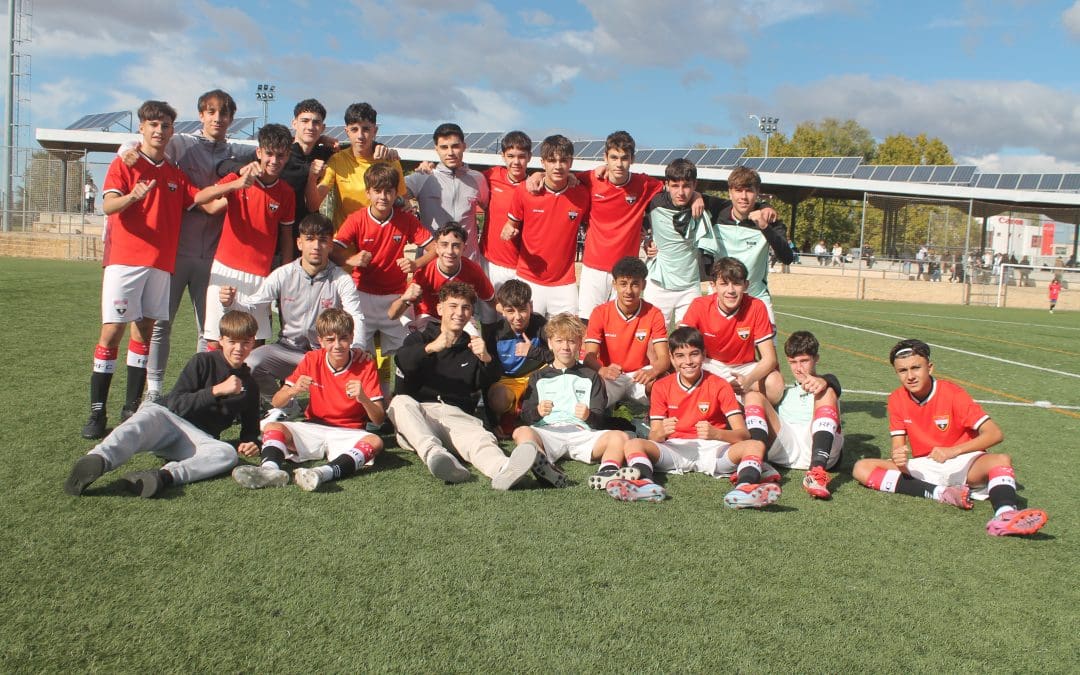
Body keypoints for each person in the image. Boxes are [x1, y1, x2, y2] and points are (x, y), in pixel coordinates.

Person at [83, 100, 204, 439]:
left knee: (144, 333)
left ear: (171, 131)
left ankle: (130, 407)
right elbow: (108, 205)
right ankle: (96, 413)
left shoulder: (175, 175)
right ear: (141, 128)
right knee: (112, 333)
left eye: (165, 125)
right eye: (153, 124)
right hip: (125, 262)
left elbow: (201, 197)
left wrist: (235, 185)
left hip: (160, 266)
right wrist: (133, 196)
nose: (159, 131)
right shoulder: (125, 162)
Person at [852, 339, 1048, 537]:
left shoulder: (953, 393)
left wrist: (952, 451)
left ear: (929, 367)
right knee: (862, 468)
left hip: (963, 464)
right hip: (927, 465)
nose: (910, 376)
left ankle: (1005, 516)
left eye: (915, 368)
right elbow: (898, 448)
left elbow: (995, 433)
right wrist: (899, 457)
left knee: (1001, 460)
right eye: (902, 370)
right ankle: (942, 493)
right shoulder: (896, 399)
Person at [65, 310, 260, 498]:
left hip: (195, 439)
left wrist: (250, 442)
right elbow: (177, 403)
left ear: (253, 343)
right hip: (166, 417)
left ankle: (162, 477)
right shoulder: (203, 361)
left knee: (226, 454)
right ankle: (98, 460)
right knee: (138, 423)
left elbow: (250, 430)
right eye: (232, 342)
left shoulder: (250, 385)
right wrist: (216, 391)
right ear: (221, 340)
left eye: (245, 343)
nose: (239, 349)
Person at [389, 281, 564, 490]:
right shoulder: (420, 338)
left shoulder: (472, 346)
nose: (459, 313)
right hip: (419, 413)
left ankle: (504, 469)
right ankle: (435, 454)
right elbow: (403, 361)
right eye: (453, 306)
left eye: (465, 307)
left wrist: (487, 359)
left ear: (471, 312)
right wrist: (432, 347)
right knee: (400, 403)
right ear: (440, 309)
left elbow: (483, 385)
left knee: (481, 439)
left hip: (456, 416)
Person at [137, 90, 249, 403]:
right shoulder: (182, 144)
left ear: (231, 118)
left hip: (213, 258)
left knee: (209, 328)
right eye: (211, 112)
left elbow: (270, 152)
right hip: (176, 253)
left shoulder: (237, 149)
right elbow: (145, 143)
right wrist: (126, 149)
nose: (218, 118)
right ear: (201, 115)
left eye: (224, 113)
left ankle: (202, 389)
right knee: (161, 324)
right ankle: (154, 389)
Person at [600, 327, 783, 509]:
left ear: (703, 355)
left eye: (694, 354)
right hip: (675, 450)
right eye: (680, 356)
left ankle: (744, 488)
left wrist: (717, 434)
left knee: (756, 445)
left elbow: (742, 434)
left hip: (715, 451)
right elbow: (653, 437)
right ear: (671, 358)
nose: (688, 361)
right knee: (633, 444)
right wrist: (661, 432)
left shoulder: (720, 385)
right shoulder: (661, 386)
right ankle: (645, 484)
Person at [218, 213, 365, 411]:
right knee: (251, 362)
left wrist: (358, 346)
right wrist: (231, 303)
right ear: (299, 243)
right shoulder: (283, 274)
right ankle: (287, 407)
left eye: (322, 241)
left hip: (325, 352)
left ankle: (344, 409)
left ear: (330, 245)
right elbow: (254, 305)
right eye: (310, 239)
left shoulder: (341, 279)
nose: (316, 246)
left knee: (357, 363)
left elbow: (355, 314)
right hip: (287, 349)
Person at [232, 309, 385, 492]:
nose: (337, 345)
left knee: (375, 441)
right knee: (273, 427)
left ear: (352, 337)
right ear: (320, 341)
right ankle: (269, 471)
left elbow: (378, 419)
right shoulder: (312, 359)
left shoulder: (365, 364)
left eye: (343, 338)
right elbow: (276, 402)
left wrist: (364, 399)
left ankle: (322, 473)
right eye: (330, 340)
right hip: (313, 426)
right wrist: (294, 390)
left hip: (348, 431)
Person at [331, 163, 435, 391]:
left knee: (407, 352)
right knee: (358, 353)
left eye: (388, 191)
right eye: (377, 191)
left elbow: (435, 248)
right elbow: (334, 250)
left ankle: (400, 398)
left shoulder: (406, 220)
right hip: (361, 297)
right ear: (368, 192)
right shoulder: (357, 219)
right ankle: (362, 402)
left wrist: (415, 263)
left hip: (396, 298)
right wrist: (351, 260)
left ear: (396, 193)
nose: (383, 197)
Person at [194, 123, 296, 349]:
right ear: (259, 153)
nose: (274, 160)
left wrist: (286, 276)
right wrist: (236, 183)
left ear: (287, 156)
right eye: (269, 154)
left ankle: (248, 386)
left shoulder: (286, 193)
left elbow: (286, 238)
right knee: (216, 340)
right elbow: (201, 199)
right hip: (225, 269)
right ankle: (214, 385)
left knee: (254, 342)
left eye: (280, 155)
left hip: (260, 277)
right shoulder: (238, 180)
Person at [642, 159, 773, 325]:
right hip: (657, 283)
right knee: (652, 344)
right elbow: (631, 213)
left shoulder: (705, 205)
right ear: (666, 184)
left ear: (695, 184)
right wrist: (647, 238)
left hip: (690, 287)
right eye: (675, 186)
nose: (681, 192)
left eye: (687, 186)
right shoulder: (654, 202)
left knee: (689, 342)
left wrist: (765, 206)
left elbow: (740, 203)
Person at [509, 313, 629, 487]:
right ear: (550, 343)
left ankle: (608, 471)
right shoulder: (538, 377)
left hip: (582, 433)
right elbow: (526, 416)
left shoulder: (591, 377)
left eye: (571, 341)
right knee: (521, 433)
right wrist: (538, 412)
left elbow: (600, 419)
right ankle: (546, 469)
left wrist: (588, 416)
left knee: (619, 437)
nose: (565, 347)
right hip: (548, 432)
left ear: (579, 344)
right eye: (559, 341)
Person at [217, 98, 336, 260]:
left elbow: (358, 147)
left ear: (322, 127)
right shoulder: (278, 153)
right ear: (294, 123)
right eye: (305, 121)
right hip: (267, 235)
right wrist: (241, 170)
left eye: (316, 123)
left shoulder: (326, 155)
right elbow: (223, 165)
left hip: (300, 238)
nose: (310, 127)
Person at [741, 331, 843, 499]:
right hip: (785, 449)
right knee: (753, 396)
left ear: (816, 359)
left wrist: (825, 381)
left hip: (818, 447)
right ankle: (759, 461)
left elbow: (834, 382)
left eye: (804, 361)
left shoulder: (826, 385)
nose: (799, 368)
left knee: (826, 392)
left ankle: (816, 473)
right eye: (793, 362)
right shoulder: (786, 393)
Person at [500, 135, 590, 316]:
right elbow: (510, 224)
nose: (558, 166)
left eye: (563, 160)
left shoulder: (581, 194)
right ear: (542, 162)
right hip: (528, 279)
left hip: (565, 284)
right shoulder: (525, 191)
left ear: (571, 162)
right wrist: (508, 230)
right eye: (552, 160)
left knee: (566, 341)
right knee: (526, 339)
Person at [678, 257, 784, 404]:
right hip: (710, 365)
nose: (731, 290)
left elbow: (769, 358)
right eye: (724, 284)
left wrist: (748, 381)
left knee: (775, 384)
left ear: (746, 285)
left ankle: (745, 406)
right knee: (680, 367)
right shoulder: (699, 305)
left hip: (744, 368)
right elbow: (681, 348)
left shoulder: (757, 306)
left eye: (736, 283)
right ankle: (720, 397)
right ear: (713, 286)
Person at [695, 165, 790, 322]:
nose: (743, 196)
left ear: (757, 193)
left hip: (756, 297)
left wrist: (765, 227)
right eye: (738, 190)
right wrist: (697, 197)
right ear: (730, 192)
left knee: (767, 346)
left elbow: (787, 257)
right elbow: (683, 193)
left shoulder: (769, 221)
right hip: (720, 297)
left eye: (749, 190)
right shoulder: (717, 210)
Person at [582, 256, 669, 411]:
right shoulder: (600, 312)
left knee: (661, 382)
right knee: (591, 389)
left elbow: (664, 358)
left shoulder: (654, 313)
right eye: (623, 284)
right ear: (614, 284)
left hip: (640, 374)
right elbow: (589, 356)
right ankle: (600, 422)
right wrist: (602, 370)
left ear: (644, 285)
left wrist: (653, 371)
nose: (628, 291)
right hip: (611, 374)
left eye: (635, 284)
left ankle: (655, 422)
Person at [306, 102, 405, 228]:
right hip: (345, 244)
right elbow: (313, 205)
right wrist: (312, 179)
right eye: (354, 129)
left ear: (375, 130)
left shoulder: (391, 161)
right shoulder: (337, 160)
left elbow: (402, 202)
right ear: (346, 131)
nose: (360, 136)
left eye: (366, 129)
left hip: (380, 243)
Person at [388, 221, 494, 332]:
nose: (450, 251)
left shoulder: (473, 270)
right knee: (425, 345)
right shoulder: (423, 272)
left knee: (476, 344)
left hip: (460, 317)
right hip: (429, 318)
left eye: (456, 246)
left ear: (464, 248)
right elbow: (392, 315)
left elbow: (492, 301)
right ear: (436, 248)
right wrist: (405, 298)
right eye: (444, 245)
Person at [405, 123, 489, 262]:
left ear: (464, 146)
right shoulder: (423, 176)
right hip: (431, 262)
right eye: (444, 147)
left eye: (455, 146)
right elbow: (388, 190)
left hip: (467, 262)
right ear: (436, 149)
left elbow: (490, 210)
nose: (450, 152)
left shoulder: (478, 179)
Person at [482, 279, 553, 437]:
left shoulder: (541, 325)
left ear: (531, 306)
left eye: (522, 309)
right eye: (510, 311)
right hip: (508, 380)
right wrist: (492, 420)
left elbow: (560, 357)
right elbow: (486, 377)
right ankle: (513, 410)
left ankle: (522, 410)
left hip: (536, 377)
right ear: (503, 311)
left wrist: (534, 352)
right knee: (498, 399)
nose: (518, 317)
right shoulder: (495, 333)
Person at [478, 131, 532, 289]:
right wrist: (429, 166)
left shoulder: (535, 186)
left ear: (529, 157)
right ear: (503, 156)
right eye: (511, 156)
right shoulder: (492, 175)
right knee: (486, 313)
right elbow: (465, 176)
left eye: (521, 156)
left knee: (512, 313)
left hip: (521, 268)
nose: (516, 162)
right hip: (489, 262)